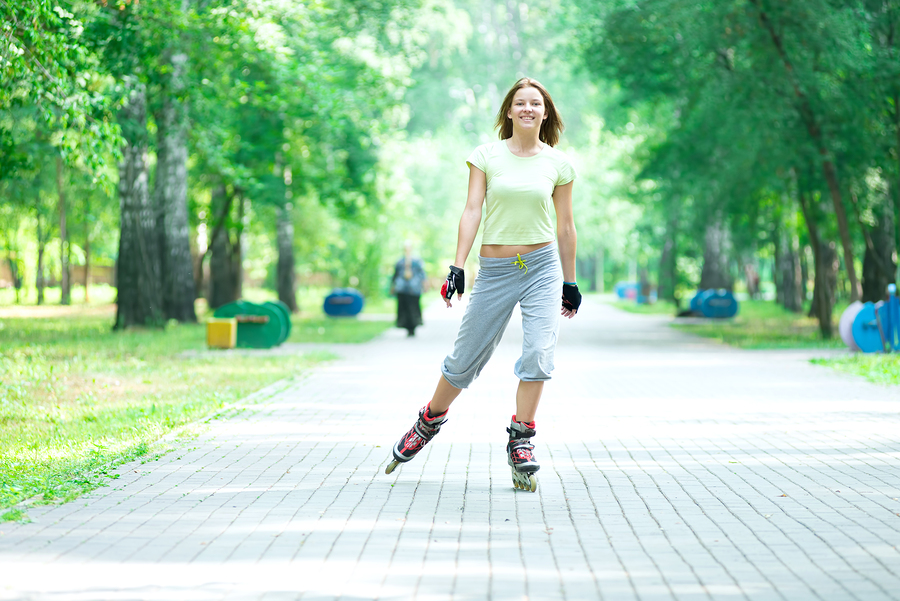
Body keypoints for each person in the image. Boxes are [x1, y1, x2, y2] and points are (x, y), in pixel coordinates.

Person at [384, 77, 581, 492]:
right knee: (465, 358)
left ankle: (521, 439)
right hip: (494, 270)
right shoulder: (486, 156)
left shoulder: (558, 164)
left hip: (542, 266)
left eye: (536, 103)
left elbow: (565, 226)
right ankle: (428, 421)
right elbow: (472, 209)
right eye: (520, 103)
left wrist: (571, 279)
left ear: (545, 113)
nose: (528, 109)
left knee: (540, 352)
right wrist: (457, 265)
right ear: (509, 111)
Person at [391, 241, 427, 337]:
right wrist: (393, 286)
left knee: (414, 308)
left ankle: (413, 327)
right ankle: (406, 327)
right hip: (402, 289)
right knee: (404, 309)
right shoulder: (399, 262)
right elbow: (395, 275)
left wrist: (425, 285)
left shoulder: (417, 262)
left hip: (414, 289)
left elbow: (422, 274)